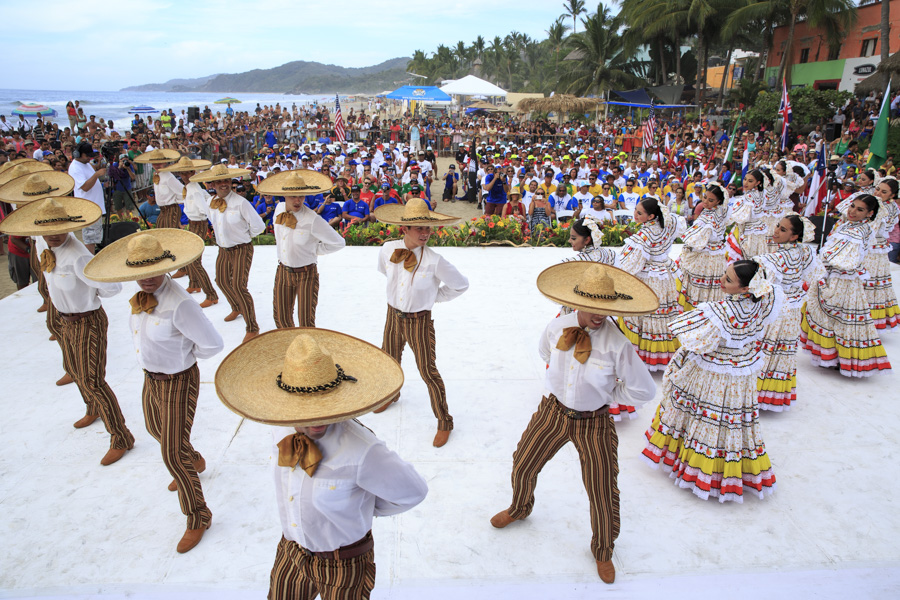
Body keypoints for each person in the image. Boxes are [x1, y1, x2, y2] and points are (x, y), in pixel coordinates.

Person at [214, 328, 428, 600]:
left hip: (344, 565)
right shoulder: (279, 428)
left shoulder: (363, 450)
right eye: (305, 412)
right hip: (291, 551)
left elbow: (413, 492)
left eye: (325, 408)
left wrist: (359, 509)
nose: (317, 421)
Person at [490, 263, 658, 583]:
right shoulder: (558, 326)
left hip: (593, 422)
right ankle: (520, 508)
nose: (598, 313)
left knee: (601, 489)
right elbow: (544, 354)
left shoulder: (617, 344)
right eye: (592, 306)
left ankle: (603, 550)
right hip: (552, 412)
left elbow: (644, 390)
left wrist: (609, 392)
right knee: (523, 463)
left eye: (605, 307)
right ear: (577, 301)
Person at [84, 229, 223, 553]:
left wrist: (186, 359)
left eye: (153, 272)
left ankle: (198, 516)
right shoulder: (142, 299)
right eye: (140, 273)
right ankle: (194, 461)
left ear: (165, 266)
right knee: (153, 428)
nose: (146, 279)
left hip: (177, 380)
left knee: (171, 452)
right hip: (150, 376)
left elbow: (212, 343)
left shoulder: (181, 304)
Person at [0, 197, 134, 464]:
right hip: (66, 319)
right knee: (76, 371)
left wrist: (90, 290)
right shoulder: (47, 248)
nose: (52, 235)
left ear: (68, 226)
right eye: (46, 231)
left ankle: (121, 436)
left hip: (87, 320)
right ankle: (93, 408)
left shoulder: (78, 255)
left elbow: (111, 288)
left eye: (57, 229)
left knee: (93, 380)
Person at [642, 260, 781, 502]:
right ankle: (729, 471)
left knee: (705, 415)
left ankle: (702, 472)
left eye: (728, 280)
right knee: (733, 420)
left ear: (746, 289)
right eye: (724, 276)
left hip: (714, 373)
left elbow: (692, 338)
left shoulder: (719, 311)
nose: (721, 282)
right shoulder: (762, 305)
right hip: (742, 374)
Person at [371, 199, 468, 448]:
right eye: (419, 228)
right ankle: (391, 395)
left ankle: (444, 421)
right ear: (404, 229)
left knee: (428, 371)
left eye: (428, 228)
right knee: (389, 360)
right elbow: (385, 271)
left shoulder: (435, 261)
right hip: (392, 315)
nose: (425, 233)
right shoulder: (387, 249)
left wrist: (432, 297)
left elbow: (460, 285)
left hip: (419, 322)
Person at [800, 195, 891, 377]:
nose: (852, 211)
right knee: (835, 318)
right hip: (836, 276)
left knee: (841, 319)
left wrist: (818, 264)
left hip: (843, 281)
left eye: (860, 209)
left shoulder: (860, 231)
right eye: (852, 206)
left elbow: (842, 259)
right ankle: (834, 356)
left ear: (870, 213)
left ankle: (842, 358)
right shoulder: (848, 226)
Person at [257, 169, 346, 329]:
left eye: (301, 196)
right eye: (293, 196)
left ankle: (308, 353)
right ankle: (292, 350)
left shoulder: (312, 219)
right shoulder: (279, 210)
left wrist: (314, 250)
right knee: (281, 318)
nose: (297, 200)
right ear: (284, 195)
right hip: (283, 271)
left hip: (306, 274)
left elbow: (338, 243)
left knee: (306, 322)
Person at [190, 164, 265, 344]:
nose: (223, 184)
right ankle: (237, 307)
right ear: (213, 183)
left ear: (230, 182)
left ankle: (252, 327)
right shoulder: (210, 202)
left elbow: (259, 227)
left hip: (241, 248)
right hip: (223, 249)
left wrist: (244, 236)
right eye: (219, 181)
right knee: (221, 281)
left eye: (226, 180)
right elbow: (212, 221)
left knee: (239, 285)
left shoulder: (241, 203)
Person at [755, 214, 821, 411]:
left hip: (775, 308)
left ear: (794, 236)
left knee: (765, 347)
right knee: (781, 350)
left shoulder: (773, 259)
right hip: (792, 311)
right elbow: (815, 275)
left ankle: (755, 394)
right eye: (777, 226)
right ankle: (772, 394)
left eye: (783, 230)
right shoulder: (806, 252)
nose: (776, 231)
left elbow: (760, 285)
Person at [615, 198, 684, 370]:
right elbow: (678, 222)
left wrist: (618, 276)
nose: (635, 215)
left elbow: (632, 264)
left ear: (651, 216)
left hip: (649, 278)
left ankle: (643, 358)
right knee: (662, 315)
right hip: (665, 277)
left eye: (639, 213)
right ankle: (662, 356)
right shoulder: (667, 225)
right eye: (636, 211)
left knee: (645, 315)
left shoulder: (644, 235)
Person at [159, 156, 218, 308]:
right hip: (193, 223)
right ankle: (194, 283)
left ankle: (211, 295)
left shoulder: (195, 190)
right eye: (183, 173)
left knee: (194, 261)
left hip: (198, 223)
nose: (185, 176)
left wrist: (213, 226)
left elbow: (204, 211)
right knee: (191, 259)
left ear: (194, 172)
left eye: (189, 172)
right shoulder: (190, 188)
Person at [678, 182, 729, 310]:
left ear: (718, 201)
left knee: (698, 284)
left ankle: (697, 310)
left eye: (711, 200)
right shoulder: (720, 212)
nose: (705, 201)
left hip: (705, 257)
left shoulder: (708, 216)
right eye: (705, 197)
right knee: (712, 286)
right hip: (717, 256)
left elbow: (695, 239)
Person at [864, 177, 900, 330]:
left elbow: (875, 227)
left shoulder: (889, 209)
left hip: (876, 250)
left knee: (871, 281)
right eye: (877, 189)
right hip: (866, 246)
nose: (878, 193)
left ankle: (868, 319)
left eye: (884, 192)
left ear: (892, 195)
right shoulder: (872, 201)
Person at [67, 141, 107, 253]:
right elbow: (84, 187)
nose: (89, 158)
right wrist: (97, 174)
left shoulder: (85, 164)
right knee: (90, 238)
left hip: (95, 206)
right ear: (78, 154)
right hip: (88, 208)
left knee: (95, 237)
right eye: (87, 155)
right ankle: (89, 260)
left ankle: (92, 256)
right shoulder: (75, 167)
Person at [728, 169, 768, 259]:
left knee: (744, 259)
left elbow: (740, 218)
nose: (745, 183)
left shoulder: (747, 198)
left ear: (758, 183)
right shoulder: (762, 194)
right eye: (745, 179)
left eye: (750, 181)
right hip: (760, 231)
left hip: (748, 232)